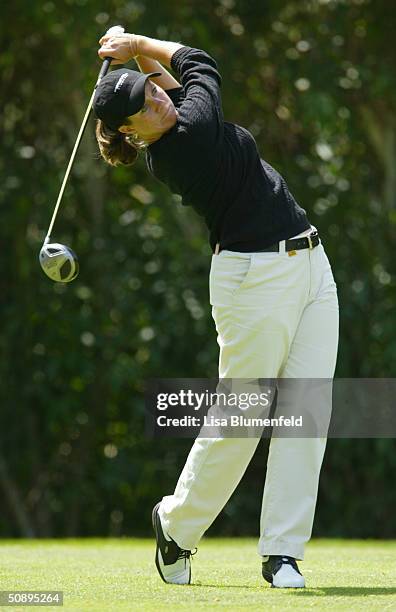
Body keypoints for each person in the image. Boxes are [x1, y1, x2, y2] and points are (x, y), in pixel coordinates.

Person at [94, 31, 339, 589]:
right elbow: (200, 61)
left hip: (310, 263)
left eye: (152, 89)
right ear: (132, 132)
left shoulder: (171, 117)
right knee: (244, 416)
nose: (158, 98)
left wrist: (135, 61)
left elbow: (175, 75)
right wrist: (135, 42)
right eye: (143, 105)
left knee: (309, 413)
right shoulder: (188, 141)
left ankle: (283, 554)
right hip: (254, 279)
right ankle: (176, 527)